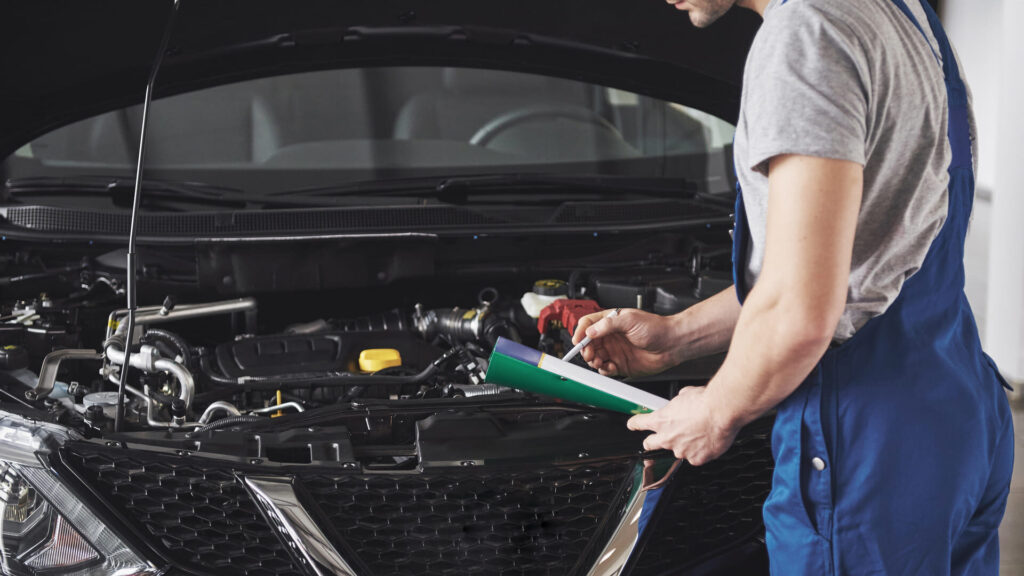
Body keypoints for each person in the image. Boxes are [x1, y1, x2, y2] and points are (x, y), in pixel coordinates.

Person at [572, 0, 1015, 573]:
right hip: (957, 406)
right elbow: (848, 264)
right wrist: (678, 337)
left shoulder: (806, 34)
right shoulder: (901, 13)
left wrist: (714, 411)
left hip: (862, 438)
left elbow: (803, 311)